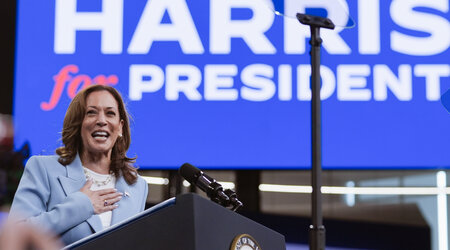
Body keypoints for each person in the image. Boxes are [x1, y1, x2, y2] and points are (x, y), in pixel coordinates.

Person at [9, 85, 148, 245]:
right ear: (78, 123)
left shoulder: (137, 186)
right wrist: (81, 205)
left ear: (120, 127)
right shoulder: (43, 169)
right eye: (91, 112)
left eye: (110, 113)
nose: (102, 121)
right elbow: (17, 235)